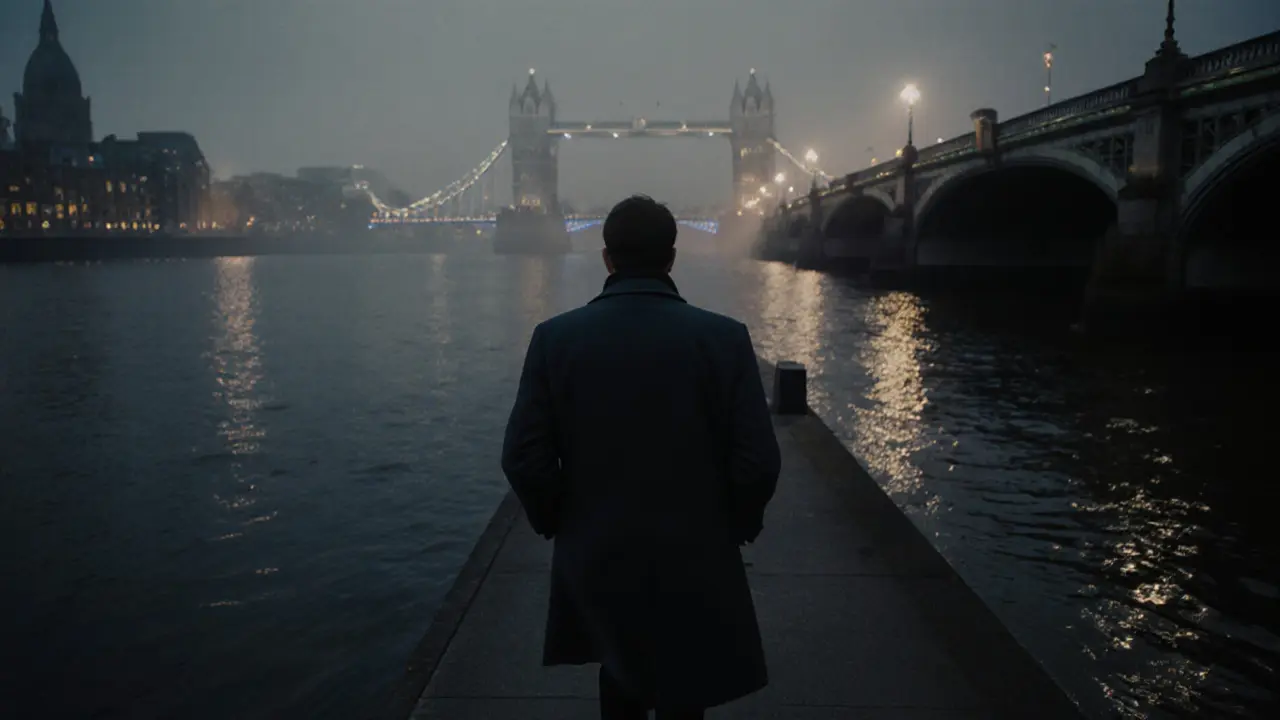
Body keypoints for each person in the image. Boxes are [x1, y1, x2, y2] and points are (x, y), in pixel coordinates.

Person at [501, 195, 782, 719]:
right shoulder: (724, 339)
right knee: (686, 683)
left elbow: (523, 457)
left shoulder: (554, 339)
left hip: (599, 548)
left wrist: (558, 520)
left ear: (607, 258)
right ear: (671, 257)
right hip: (696, 550)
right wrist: (737, 523)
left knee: (619, 673)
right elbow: (758, 461)